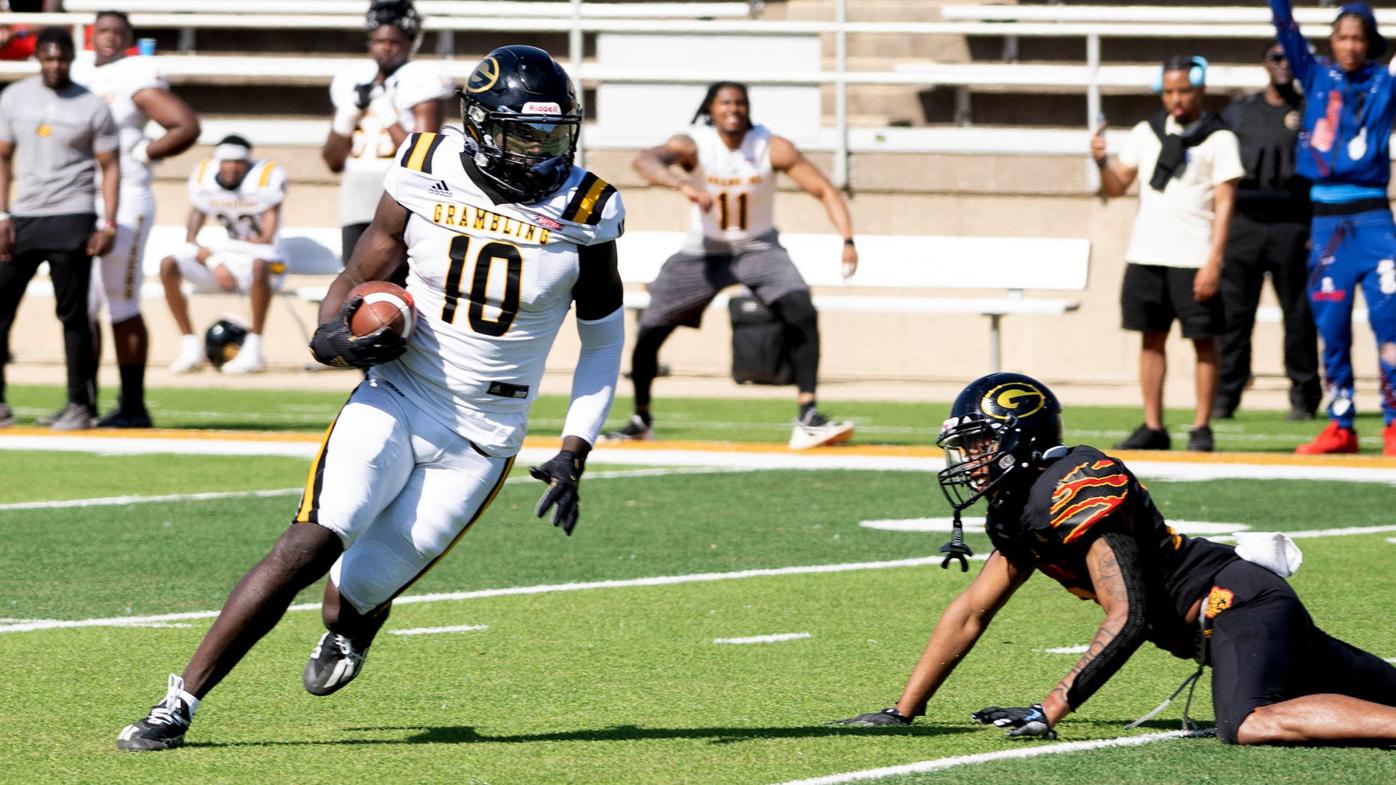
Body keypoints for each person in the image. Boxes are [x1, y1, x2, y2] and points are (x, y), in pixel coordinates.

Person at [116, 44, 626, 752]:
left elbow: (602, 338)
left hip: (483, 433)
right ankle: (179, 702)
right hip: (399, 392)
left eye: (551, 132)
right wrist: (331, 337)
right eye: (520, 132)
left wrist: (577, 444)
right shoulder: (426, 166)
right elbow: (361, 269)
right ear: (478, 126)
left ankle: (352, 628)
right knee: (307, 544)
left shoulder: (590, 207)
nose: (539, 149)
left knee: (349, 595)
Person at [835, 371, 1396, 745]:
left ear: (1019, 437)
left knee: (1248, 723)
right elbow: (972, 611)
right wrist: (903, 710)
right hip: (1241, 615)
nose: (971, 460)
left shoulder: (1070, 484)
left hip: (1235, 604)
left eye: (980, 445)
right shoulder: (1016, 511)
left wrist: (1049, 708)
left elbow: (1127, 614)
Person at [607, 81, 858, 450]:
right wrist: (683, 185)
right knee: (650, 331)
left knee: (801, 310)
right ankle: (641, 418)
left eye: (740, 102)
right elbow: (645, 160)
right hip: (703, 252)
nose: (733, 109)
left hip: (759, 249)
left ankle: (808, 414)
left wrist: (848, 239)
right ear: (711, 108)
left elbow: (824, 189)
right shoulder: (693, 144)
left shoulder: (770, 146)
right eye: (725, 102)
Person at [1092, 56, 1243, 453]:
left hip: (1194, 256)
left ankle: (1200, 426)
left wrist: (1214, 260)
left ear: (1200, 91)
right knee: (1150, 339)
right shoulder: (1146, 132)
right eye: (1170, 91)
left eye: (1185, 91)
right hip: (1147, 253)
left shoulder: (1218, 137)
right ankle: (1153, 425)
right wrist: (1101, 160)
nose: (1176, 99)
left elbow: (1226, 203)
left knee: (1203, 341)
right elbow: (1117, 187)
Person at [1268, 1, 1396, 456]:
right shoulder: (1317, 75)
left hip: (1375, 220)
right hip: (1325, 226)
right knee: (1333, 326)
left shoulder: (1386, 81)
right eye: (1343, 37)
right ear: (1332, 41)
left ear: (1371, 43)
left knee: (1390, 322)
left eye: (1359, 38)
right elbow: (1285, 27)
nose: (1350, 46)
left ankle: (1394, 424)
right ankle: (1340, 425)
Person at [69, 9, 200, 428]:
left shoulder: (135, 72)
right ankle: (82, 402)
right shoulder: (80, 69)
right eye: (103, 30)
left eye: (118, 32)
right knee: (82, 306)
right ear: (92, 35)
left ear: (127, 39)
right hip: (79, 197)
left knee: (120, 302)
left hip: (125, 197)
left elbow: (184, 125)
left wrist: (142, 153)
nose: (109, 38)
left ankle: (132, 404)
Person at [0, 26, 118, 430]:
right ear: (36, 58)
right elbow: (2, 159)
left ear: (71, 59)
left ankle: (79, 404)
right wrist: (2, 216)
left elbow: (110, 166)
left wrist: (109, 222)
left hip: (72, 215)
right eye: (48, 58)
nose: (55, 65)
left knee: (73, 316)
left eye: (62, 58)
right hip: (22, 219)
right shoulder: (14, 98)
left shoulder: (91, 105)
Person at [1215, 43, 1321, 422]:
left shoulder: (1314, 110)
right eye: (1276, 57)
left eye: (1289, 57)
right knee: (1235, 317)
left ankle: (1304, 396)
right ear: (1264, 63)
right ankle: (1225, 395)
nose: (1283, 64)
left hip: (1294, 226)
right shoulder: (1240, 112)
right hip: (1245, 225)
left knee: (1299, 317)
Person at [322, 0, 452, 283]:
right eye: (379, 40)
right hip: (356, 198)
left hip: (401, 196)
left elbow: (422, 155)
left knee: (397, 285)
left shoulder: (423, 79)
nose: (386, 47)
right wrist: (346, 116)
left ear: (411, 42)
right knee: (355, 285)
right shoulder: (352, 80)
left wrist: (387, 114)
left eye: (395, 41)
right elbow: (332, 161)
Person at [160, 135, 286, 375]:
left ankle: (253, 348)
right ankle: (189, 346)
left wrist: (224, 251)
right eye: (225, 161)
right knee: (169, 264)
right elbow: (191, 238)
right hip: (226, 257)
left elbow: (267, 239)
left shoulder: (265, 178)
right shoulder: (204, 180)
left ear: (247, 163)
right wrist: (214, 259)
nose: (230, 167)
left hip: (265, 258)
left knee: (260, 263)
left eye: (237, 161)